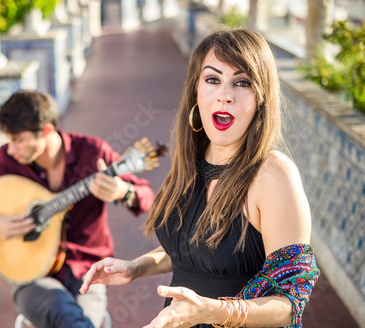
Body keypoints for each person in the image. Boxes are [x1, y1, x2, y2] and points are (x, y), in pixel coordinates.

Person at [80, 28, 320, 328]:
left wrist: (215, 312)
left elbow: (290, 303)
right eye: (212, 79)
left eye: (242, 83)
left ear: (261, 97)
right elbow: (192, 250)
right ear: (196, 90)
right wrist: (135, 268)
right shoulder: (193, 160)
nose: (225, 95)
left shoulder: (273, 175)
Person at [0, 90, 155, 328]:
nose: (10, 148)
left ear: (46, 131)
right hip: (33, 278)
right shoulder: (7, 161)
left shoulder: (92, 153)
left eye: (17, 139)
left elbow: (147, 197)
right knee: (60, 309)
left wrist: (124, 192)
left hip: (87, 273)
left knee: (77, 320)